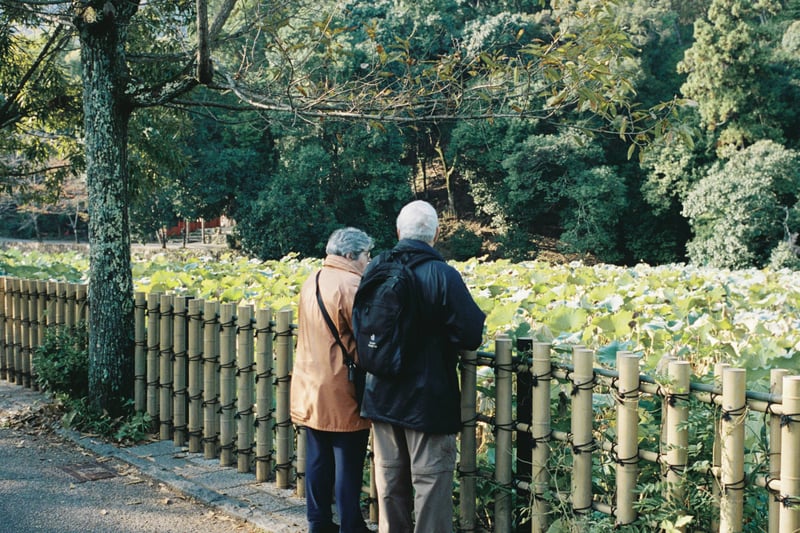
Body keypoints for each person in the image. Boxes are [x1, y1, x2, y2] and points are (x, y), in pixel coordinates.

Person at [360, 200, 486, 533]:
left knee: (389, 484)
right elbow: (472, 333)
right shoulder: (443, 275)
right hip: (427, 400)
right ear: (435, 234)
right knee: (430, 485)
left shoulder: (375, 267)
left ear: (398, 231)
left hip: (380, 393)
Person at [291, 227, 374, 533]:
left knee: (317, 457)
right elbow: (365, 336)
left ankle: (318, 521)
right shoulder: (352, 284)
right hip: (341, 385)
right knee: (347, 461)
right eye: (366, 254)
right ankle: (351, 525)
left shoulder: (311, 280)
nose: (369, 260)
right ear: (351, 255)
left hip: (309, 382)